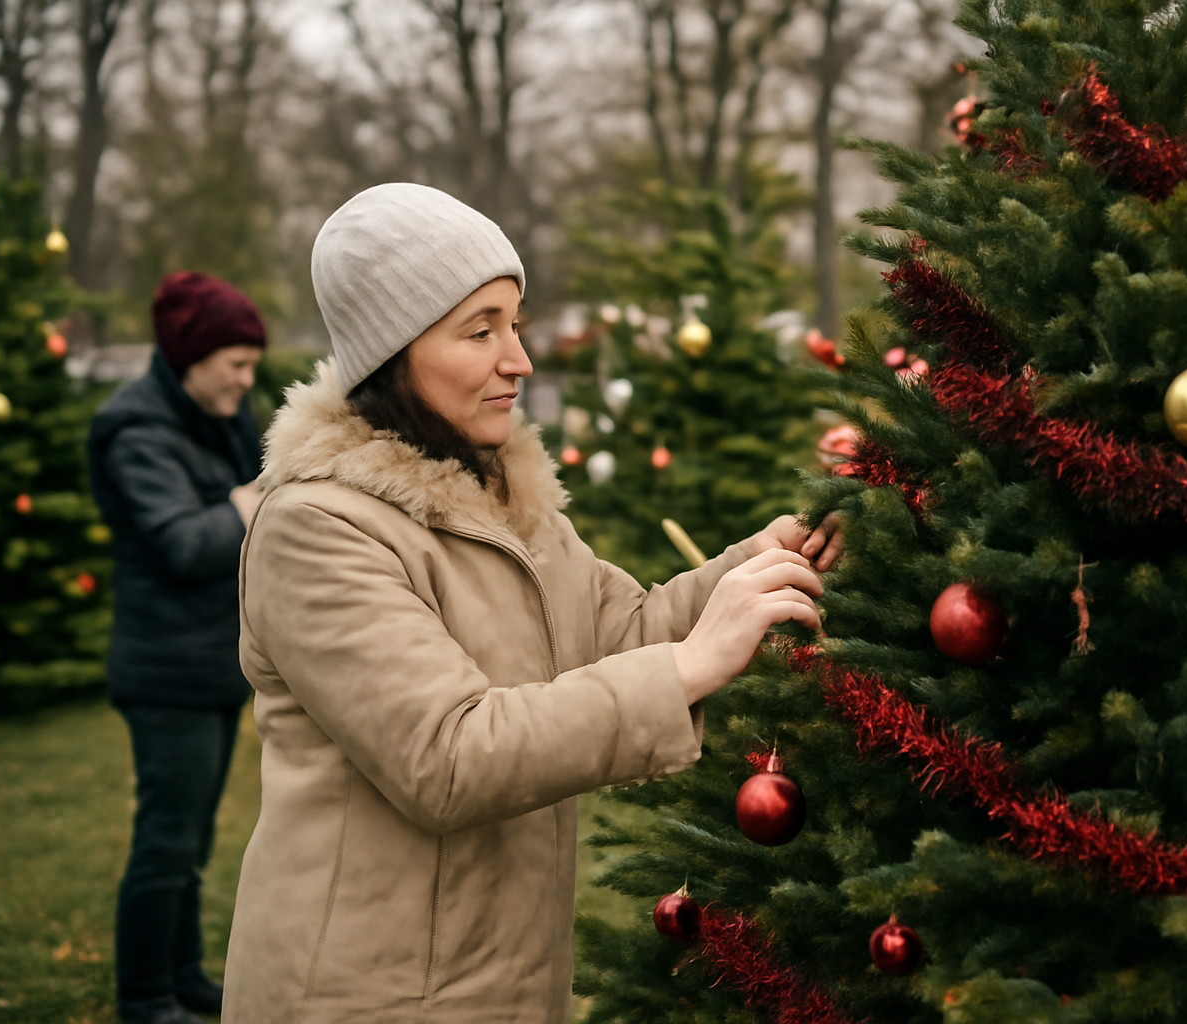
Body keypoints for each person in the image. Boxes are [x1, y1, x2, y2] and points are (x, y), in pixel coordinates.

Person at [222, 182, 841, 1022]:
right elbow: (449, 756)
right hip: (369, 992)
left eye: (514, 323)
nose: (519, 358)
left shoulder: (505, 499)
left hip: (503, 979)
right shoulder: (319, 529)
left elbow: (618, 631)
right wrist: (691, 664)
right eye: (480, 331)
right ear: (391, 354)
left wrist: (765, 563)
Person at [87, 272, 267, 1024]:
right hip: (166, 671)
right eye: (237, 363)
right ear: (193, 356)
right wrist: (244, 505)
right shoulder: (136, 430)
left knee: (189, 842)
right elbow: (181, 543)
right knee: (165, 844)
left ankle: (185, 977)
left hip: (211, 663)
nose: (248, 380)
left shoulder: (213, 414)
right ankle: (145, 999)